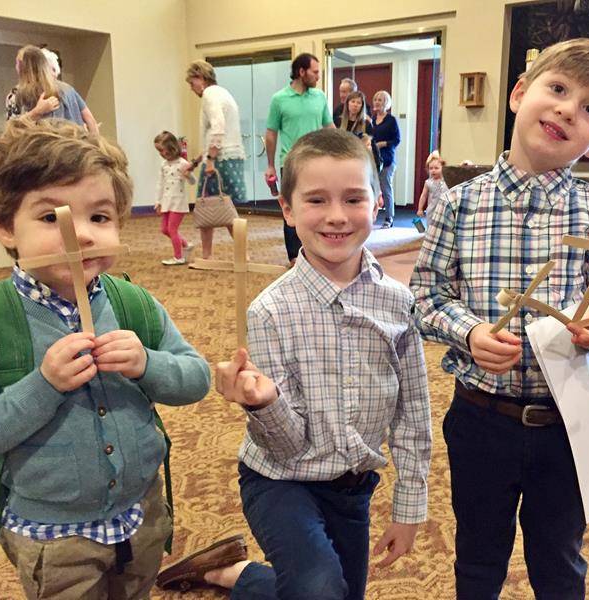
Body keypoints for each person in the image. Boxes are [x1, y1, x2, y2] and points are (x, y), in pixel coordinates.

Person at [157, 128, 432, 598]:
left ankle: (232, 574)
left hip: (353, 488)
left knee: (333, 592)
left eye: (353, 199)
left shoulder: (398, 303)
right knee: (317, 590)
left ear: (377, 199)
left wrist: (409, 506)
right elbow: (285, 446)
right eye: (316, 201)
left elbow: (413, 414)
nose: (337, 217)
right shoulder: (269, 311)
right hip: (280, 483)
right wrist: (263, 403)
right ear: (287, 209)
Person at [0, 118, 215, 599]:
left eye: (100, 217)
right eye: (52, 218)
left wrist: (147, 363)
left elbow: (196, 378)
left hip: (142, 515)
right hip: (52, 537)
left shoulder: (133, 303)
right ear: (7, 227)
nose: (83, 235)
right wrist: (42, 385)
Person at [410, 38, 589, 599]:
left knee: (559, 561)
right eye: (558, 89)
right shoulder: (458, 204)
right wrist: (468, 332)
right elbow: (424, 297)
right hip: (481, 419)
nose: (567, 110)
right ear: (520, 93)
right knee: (478, 559)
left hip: (568, 422)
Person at [264, 52, 335, 265]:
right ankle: (295, 257)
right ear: (301, 72)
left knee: (318, 207)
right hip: (291, 163)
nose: (318, 77)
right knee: (293, 208)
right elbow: (271, 133)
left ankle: (317, 250)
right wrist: (270, 166)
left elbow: (329, 128)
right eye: (314, 72)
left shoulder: (320, 97)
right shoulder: (279, 99)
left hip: (318, 162)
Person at [183, 60, 248, 266]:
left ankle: (209, 255)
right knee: (225, 207)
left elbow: (217, 128)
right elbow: (215, 133)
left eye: (191, 82)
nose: (191, 87)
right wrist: (196, 161)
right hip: (229, 155)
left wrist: (210, 160)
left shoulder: (210, 95)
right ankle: (239, 254)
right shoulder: (223, 93)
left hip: (219, 158)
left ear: (200, 78)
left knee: (208, 206)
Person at [5, 45, 98, 134]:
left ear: (21, 67)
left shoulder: (17, 94)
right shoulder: (67, 89)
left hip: (47, 148)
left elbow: (11, 130)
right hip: (76, 147)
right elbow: (90, 120)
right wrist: (95, 146)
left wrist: (36, 112)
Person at [154, 131, 195, 265]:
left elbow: (193, 181)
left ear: (171, 147)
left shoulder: (182, 163)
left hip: (178, 202)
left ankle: (179, 257)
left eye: (161, 150)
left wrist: (187, 174)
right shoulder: (163, 164)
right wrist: (158, 201)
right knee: (164, 229)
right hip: (167, 201)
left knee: (172, 229)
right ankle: (185, 244)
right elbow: (160, 184)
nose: (160, 153)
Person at [371, 90, 401, 228]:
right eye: (376, 99)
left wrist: (383, 143)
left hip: (387, 160)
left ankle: (389, 218)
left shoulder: (391, 120)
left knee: (386, 188)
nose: (377, 102)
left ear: (387, 103)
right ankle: (371, 216)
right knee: (372, 189)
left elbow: (397, 140)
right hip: (372, 160)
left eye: (381, 100)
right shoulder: (371, 120)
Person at [335, 90, 381, 170]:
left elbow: (371, 146)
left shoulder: (367, 124)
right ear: (347, 103)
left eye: (359, 103)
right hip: (341, 161)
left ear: (362, 106)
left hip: (360, 163)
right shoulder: (338, 121)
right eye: (353, 101)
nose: (355, 105)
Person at [416, 152, 448, 217]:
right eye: (431, 168)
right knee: (431, 226)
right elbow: (423, 196)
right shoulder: (428, 183)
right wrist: (420, 209)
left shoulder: (446, 181)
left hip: (444, 210)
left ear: (443, 168)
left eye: (436, 168)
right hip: (432, 210)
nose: (433, 170)